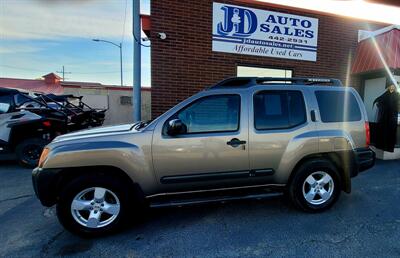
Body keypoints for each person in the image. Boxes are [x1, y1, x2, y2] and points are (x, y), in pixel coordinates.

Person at [373, 83, 399, 152]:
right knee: (383, 131)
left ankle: (389, 148)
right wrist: (381, 106)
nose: (392, 88)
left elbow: (398, 105)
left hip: (392, 117)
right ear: (389, 87)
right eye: (391, 86)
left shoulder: (397, 95)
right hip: (384, 116)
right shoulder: (385, 94)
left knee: (391, 132)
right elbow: (379, 101)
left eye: (393, 86)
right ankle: (381, 146)